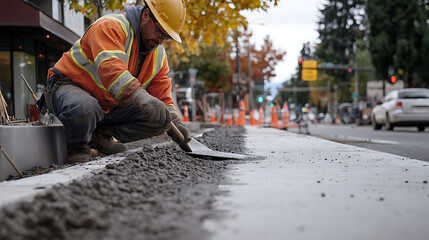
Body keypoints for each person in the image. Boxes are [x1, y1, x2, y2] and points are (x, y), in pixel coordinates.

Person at [39, 0, 191, 163]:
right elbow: (112, 72)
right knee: (85, 107)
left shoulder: (158, 55)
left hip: (105, 104)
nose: (160, 40)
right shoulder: (111, 26)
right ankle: (78, 147)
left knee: (162, 118)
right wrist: (142, 97)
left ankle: (98, 135)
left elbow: (162, 96)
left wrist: (174, 121)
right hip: (67, 86)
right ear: (146, 15)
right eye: (159, 32)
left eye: (166, 37)